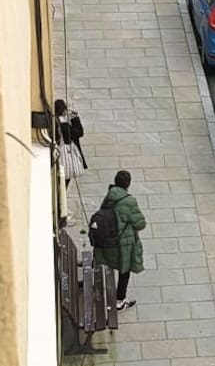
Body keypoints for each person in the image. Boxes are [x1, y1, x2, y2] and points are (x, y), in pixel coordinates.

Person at [94, 171, 146, 309]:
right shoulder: (129, 201)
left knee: (106, 261)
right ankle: (120, 300)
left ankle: (95, 281)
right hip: (121, 244)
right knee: (125, 270)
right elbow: (140, 223)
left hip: (106, 240)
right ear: (128, 184)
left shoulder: (110, 195)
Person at [54, 99, 87, 184]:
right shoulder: (63, 124)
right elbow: (79, 132)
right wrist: (75, 118)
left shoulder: (56, 122)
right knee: (63, 184)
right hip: (65, 158)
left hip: (58, 157)